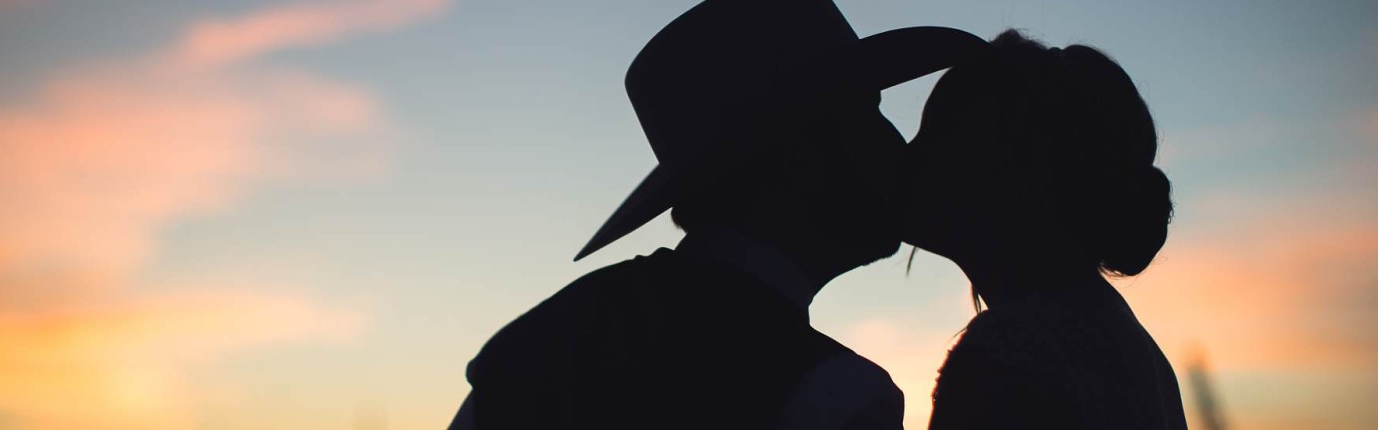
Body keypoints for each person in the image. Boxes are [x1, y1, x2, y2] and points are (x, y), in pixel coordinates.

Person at [448, 1, 987, 429]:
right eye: (870, 118)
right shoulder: (832, 394)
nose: (897, 145)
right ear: (800, 159)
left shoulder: (537, 346)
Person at [900, 30, 1188, 429]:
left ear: (1011, 166)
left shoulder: (1009, 354)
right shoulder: (1127, 349)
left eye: (939, 134)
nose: (908, 154)